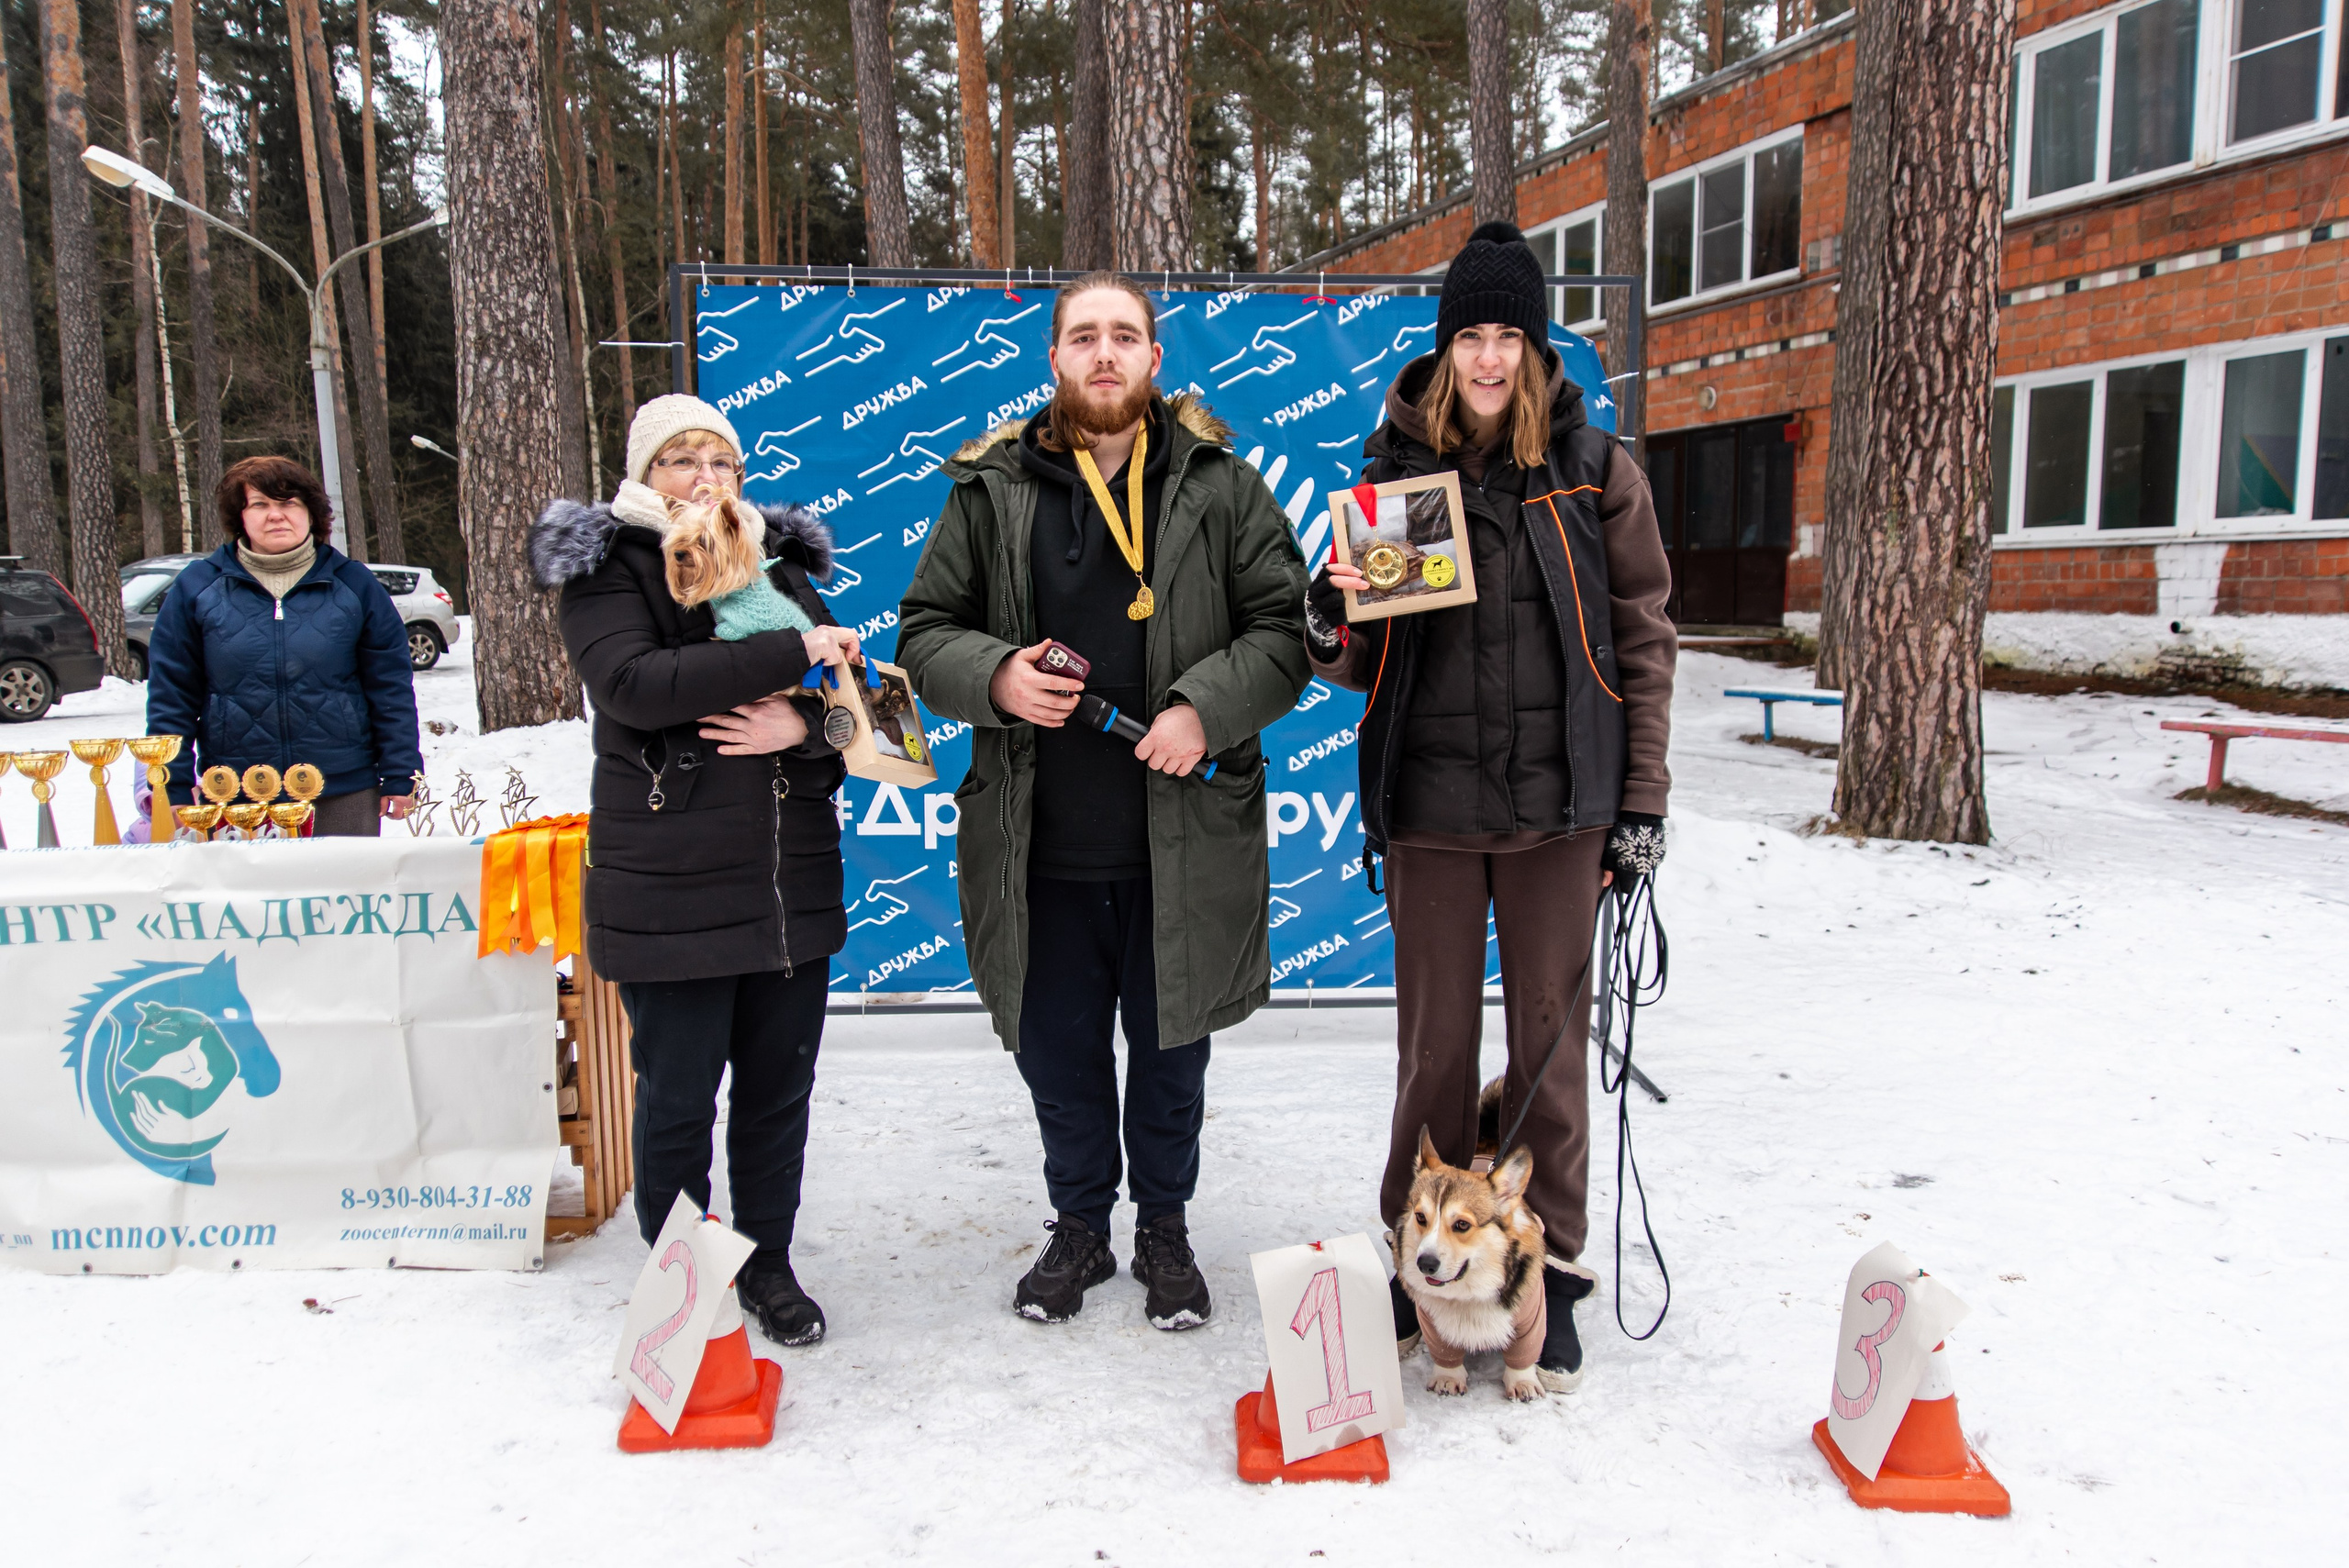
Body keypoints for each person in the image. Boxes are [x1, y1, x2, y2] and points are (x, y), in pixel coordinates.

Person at [897, 273, 1309, 1329]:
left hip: (1183, 840)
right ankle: (1079, 1223)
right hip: (1036, 842)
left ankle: (1163, 1227)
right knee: (1058, 1053)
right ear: (1054, 358)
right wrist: (995, 675)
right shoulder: (991, 488)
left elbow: (1283, 628)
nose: (1104, 352)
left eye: (1124, 334)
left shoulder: (1222, 486)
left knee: (1172, 1056)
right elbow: (925, 631)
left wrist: (1204, 709)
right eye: (1083, 335)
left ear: (1154, 359)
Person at [1306, 222, 1676, 1393]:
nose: (1486, 357)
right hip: (1428, 805)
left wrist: (1641, 801)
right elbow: (1364, 661)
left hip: (1561, 811)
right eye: (1469, 334)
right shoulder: (1398, 469)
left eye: (1507, 335)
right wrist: (1330, 614)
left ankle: (1543, 1269)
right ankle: (1416, 1261)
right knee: (1433, 1056)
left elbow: (1643, 639)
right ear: (1445, 346)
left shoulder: (1594, 468)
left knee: (1548, 1056)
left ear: (1535, 345)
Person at [529, 394, 860, 1347]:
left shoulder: (778, 566)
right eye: (681, 458)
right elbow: (633, 685)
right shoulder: (611, 565)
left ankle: (768, 1263)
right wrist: (788, 654)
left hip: (787, 883)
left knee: (776, 1095)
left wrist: (803, 724)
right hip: (670, 886)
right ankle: (682, 1276)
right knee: (678, 1100)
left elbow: (848, 707)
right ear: (644, 474)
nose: (705, 477)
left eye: (721, 460)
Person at [146, 456, 421, 835]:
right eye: (260, 504)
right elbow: (171, 695)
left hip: (342, 789)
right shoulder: (197, 587)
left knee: (346, 877)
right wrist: (173, 783)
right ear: (240, 516)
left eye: (289, 503)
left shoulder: (356, 585)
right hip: (235, 793)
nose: (276, 515)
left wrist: (400, 772)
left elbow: (390, 688)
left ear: (311, 512)